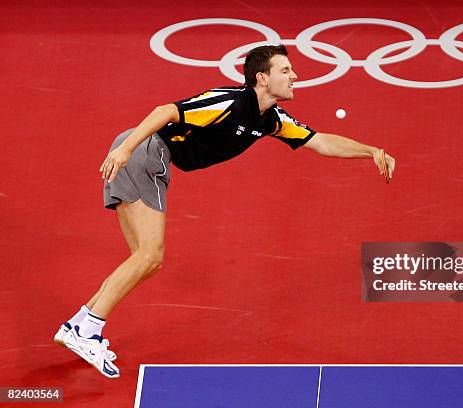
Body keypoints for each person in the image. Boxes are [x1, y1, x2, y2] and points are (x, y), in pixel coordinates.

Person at [53, 44, 396, 378]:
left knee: (143, 258)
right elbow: (166, 111)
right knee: (148, 256)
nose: (295, 76)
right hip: (144, 152)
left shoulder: (271, 119)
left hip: (145, 155)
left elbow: (320, 141)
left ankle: (80, 325)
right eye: (285, 70)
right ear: (262, 78)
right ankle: (88, 331)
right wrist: (126, 150)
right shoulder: (230, 101)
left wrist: (372, 151)